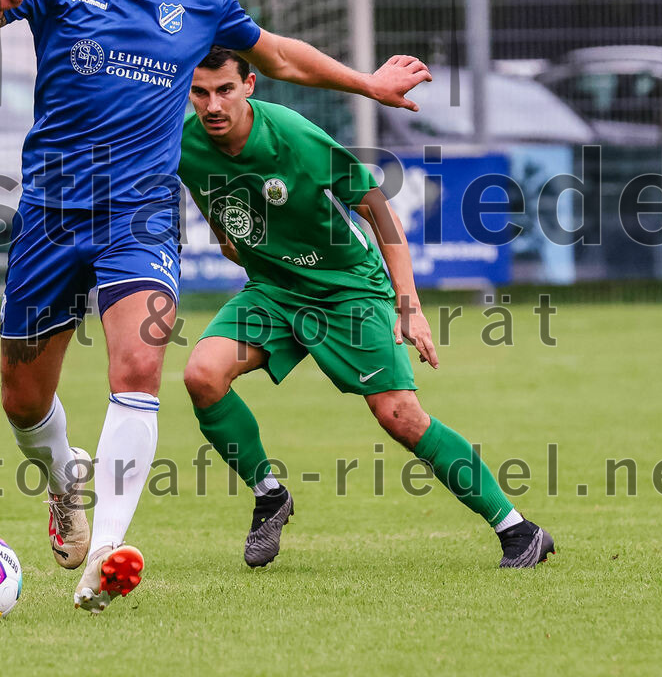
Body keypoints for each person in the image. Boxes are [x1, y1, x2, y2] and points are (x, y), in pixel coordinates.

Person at [0, 0, 432, 613]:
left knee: (138, 372)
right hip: (51, 216)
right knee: (23, 402)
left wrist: (367, 84)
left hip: (139, 215)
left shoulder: (201, 2)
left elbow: (282, 56)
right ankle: (68, 482)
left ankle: (107, 553)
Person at [179, 47, 555, 569]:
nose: (213, 105)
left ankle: (518, 530)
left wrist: (410, 306)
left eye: (224, 89)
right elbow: (215, 206)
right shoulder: (181, 141)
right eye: (200, 92)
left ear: (250, 86)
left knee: (399, 415)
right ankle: (269, 494)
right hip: (274, 290)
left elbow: (376, 207)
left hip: (347, 288)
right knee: (202, 375)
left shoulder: (292, 136)